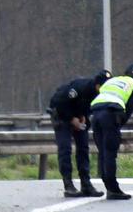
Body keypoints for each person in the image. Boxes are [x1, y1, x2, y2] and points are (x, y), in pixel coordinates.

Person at [89, 63, 133, 200]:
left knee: (103, 152)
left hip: (96, 114)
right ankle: (113, 189)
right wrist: (118, 125)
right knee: (110, 152)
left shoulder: (112, 80)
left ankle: (108, 185)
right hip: (110, 114)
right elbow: (128, 110)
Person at [47, 69, 110, 197]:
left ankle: (86, 184)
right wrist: (71, 119)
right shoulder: (80, 88)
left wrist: (83, 116)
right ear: (98, 85)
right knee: (65, 149)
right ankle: (68, 184)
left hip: (77, 115)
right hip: (60, 114)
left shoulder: (99, 94)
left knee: (83, 148)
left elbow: (87, 106)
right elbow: (60, 103)